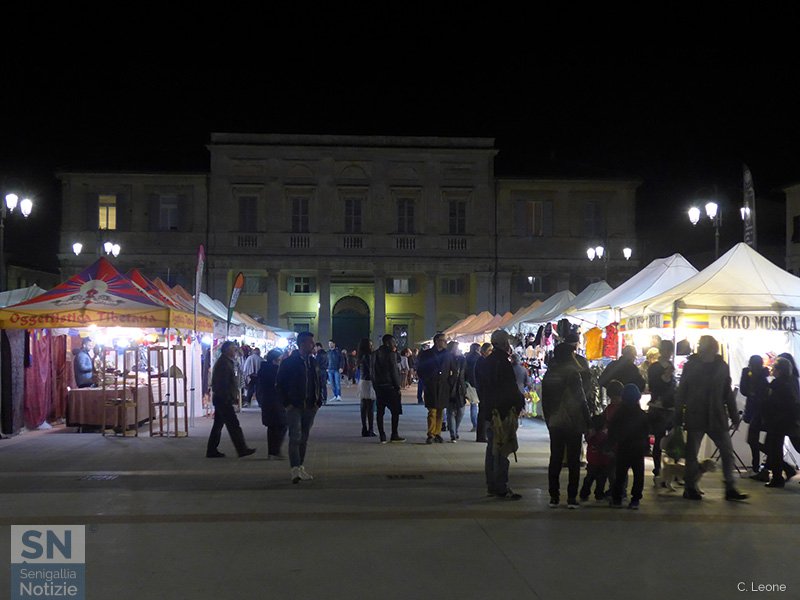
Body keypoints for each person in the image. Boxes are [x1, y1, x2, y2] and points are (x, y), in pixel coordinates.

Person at [675, 335, 748, 501]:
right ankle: (690, 487)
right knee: (692, 454)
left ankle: (730, 487)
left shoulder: (721, 366)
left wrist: (734, 415)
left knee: (727, 452)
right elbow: (681, 392)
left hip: (716, 416)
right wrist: (677, 416)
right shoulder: (691, 365)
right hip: (696, 415)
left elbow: (727, 392)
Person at [541, 342, 591, 508]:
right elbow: (581, 399)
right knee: (573, 460)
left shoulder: (549, 374)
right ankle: (571, 498)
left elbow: (545, 401)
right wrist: (588, 422)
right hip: (573, 421)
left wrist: (549, 420)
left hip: (555, 421)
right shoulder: (573, 373)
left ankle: (554, 497)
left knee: (555, 458)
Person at [478, 330, 525, 500]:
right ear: (504, 343)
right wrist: (518, 404)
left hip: (490, 410)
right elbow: (510, 388)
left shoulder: (485, 362)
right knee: (502, 448)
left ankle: (492, 485)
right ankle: (501, 486)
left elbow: (481, 386)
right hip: (502, 412)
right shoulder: (502, 363)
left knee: (492, 448)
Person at [277, 331, 323, 483]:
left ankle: (300, 466)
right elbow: (280, 385)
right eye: (311, 342)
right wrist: (287, 403)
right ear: (302, 344)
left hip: (310, 405)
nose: (313, 345)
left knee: (304, 437)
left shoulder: (313, 362)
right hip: (294, 405)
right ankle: (295, 469)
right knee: (295, 437)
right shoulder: (289, 362)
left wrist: (318, 401)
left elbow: (318, 381)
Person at [206, 341, 257, 459]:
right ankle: (241, 449)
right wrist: (228, 398)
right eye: (233, 349)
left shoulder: (227, 362)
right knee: (234, 425)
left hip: (222, 398)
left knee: (218, 425)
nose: (235, 351)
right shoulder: (223, 363)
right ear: (227, 350)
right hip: (223, 399)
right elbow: (221, 383)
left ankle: (211, 450)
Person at [608, 384, 649, 509]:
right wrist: (646, 447)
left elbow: (612, 430)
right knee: (638, 475)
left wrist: (610, 444)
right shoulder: (642, 414)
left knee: (620, 474)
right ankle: (635, 499)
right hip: (638, 448)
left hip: (623, 447)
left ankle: (617, 499)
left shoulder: (618, 413)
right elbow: (646, 431)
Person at [762, 356, 800, 488]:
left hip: (779, 421)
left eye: (774, 368)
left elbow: (774, 403)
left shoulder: (778, 384)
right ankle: (780, 475)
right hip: (788, 421)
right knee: (777, 449)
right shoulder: (791, 382)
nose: (771, 370)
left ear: (779, 370)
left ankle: (778, 478)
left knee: (775, 450)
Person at [647, 340, 676, 480]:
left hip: (670, 408)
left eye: (670, 351)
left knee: (672, 439)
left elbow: (671, 387)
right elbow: (654, 386)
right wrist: (666, 377)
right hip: (658, 408)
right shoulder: (655, 367)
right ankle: (657, 469)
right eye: (667, 350)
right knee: (659, 440)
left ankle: (672, 470)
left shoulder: (670, 366)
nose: (669, 354)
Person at [418, 333, 456, 444]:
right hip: (431, 385)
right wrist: (426, 380)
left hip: (444, 385)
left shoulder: (448, 354)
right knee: (432, 410)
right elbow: (420, 369)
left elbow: (453, 370)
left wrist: (450, 382)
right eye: (443, 340)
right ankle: (431, 434)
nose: (445, 343)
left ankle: (438, 433)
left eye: (446, 341)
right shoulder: (427, 354)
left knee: (440, 410)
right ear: (436, 341)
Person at [739, 354, 770, 479]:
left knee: (752, 440)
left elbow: (748, 391)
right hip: (756, 411)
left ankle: (759, 466)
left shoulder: (762, 376)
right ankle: (759, 466)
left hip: (758, 412)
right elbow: (745, 390)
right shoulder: (755, 374)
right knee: (753, 440)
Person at [372, 334, 405, 443]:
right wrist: (398, 386)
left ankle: (382, 435)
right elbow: (394, 371)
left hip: (379, 387)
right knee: (395, 411)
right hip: (390, 387)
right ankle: (394, 434)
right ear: (387, 343)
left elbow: (373, 371)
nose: (395, 344)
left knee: (380, 412)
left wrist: (375, 385)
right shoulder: (391, 354)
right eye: (393, 342)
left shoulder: (375, 353)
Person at [256, 349, 287, 459]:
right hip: (275, 401)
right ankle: (275, 451)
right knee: (281, 425)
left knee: (272, 427)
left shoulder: (263, 369)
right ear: (276, 359)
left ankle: (272, 452)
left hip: (267, 401)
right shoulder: (274, 371)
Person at [579, 414, 610, 502]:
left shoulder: (591, 436)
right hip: (603, 462)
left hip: (592, 461)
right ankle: (599, 495)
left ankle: (584, 494)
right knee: (601, 480)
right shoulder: (604, 436)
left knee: (589, 478)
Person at [446, 341, 467, 442]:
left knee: (461, 411)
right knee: (450, 412)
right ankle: (453, 434)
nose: (458, 349)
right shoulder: (447, 358)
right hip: (449, 387)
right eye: (456, 348)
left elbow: (465, 374)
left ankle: (456, 430)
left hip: (460, 388)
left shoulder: (463, 359)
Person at [357, 338, 376, 437]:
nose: (372, 346)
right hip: (369, 382)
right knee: (370, 407)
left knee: (363, 406)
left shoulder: (361, 356)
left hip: (363, 381)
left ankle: (364, 428)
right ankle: (371, 429)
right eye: (370, 345)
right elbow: (371, 370)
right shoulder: (368, 356)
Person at [474, 342, 493, 443]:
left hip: (483, 389)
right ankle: (482, 435)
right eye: (490, 350)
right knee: (483, 413)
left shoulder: (482, 360)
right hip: (484, 390)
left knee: (483, 412)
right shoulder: (482, 361)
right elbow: (483, 376)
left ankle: (482, 434)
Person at [464, 343, 481, 433]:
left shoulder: (467, 357)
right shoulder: (479, 358)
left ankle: (474, 424)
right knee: (476, 405)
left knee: (473, 405)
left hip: (468, 382)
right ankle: (476, 425)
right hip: (476, 383)